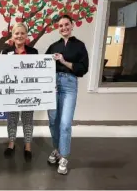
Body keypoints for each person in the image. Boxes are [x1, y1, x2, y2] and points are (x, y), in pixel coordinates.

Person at [45, 15, 89, 175]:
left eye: (66, 24)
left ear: (72, 26)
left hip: (69, 85)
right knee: (53, 121)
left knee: (64, 124)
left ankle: (64, 156)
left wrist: (63, 61)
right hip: (53, 85)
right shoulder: (53, 46)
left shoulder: (79, 46)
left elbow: (83, 68)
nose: (63, 28)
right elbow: (42, 65)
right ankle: (56, 149)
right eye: (60, 25)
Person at [1, 23, 38, 161]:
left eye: (22, 33)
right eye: (17, 33)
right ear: (12, 36)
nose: (19, 36)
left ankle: (27, 146)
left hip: (28, 90)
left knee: (28, 119)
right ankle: (11, 144)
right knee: (12, 118)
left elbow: (37, 71)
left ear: (26, 35)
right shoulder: (6, 52)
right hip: (12, 91)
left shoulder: (34, 52)